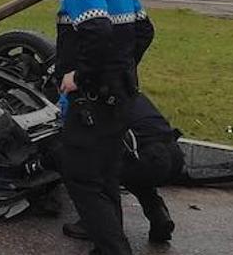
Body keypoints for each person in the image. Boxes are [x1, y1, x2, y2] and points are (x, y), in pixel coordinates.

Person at [47, 0, 155, 255]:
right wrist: (123, 71)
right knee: (105, 187)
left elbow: (96, 32)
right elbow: (144, 31)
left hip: (92, 105)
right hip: (118, 100)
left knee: (85, 186)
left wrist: (81, 77)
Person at [63, 93, 183, 244]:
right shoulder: (132, 93)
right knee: (134, 173)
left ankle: (97, 225)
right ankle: (159, 216)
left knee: (95, 172)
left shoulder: (98, 99)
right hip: (173, 156)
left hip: (148, 157)